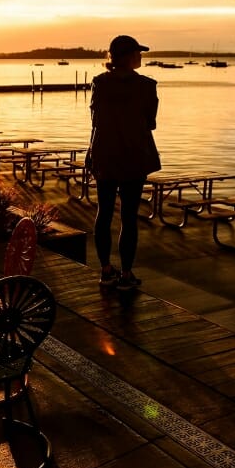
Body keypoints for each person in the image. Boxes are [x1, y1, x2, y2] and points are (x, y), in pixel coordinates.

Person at [87, 35, 161, 290]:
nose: (141, 57)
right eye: (138, 53)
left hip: (104, 153)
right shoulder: (147, 86)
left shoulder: (99, 83)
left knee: (104, 212)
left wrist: (90, 152)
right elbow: (150, 122)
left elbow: (95, 122)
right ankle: (126, 274)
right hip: (134, 155)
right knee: (129, 216)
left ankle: (106, 270)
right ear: (129, 56)